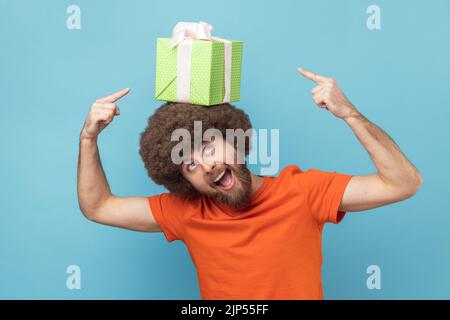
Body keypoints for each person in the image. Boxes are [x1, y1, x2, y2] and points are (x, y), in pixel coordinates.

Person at [77, 68, 423, 299]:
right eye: (190, 163)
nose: (207, 163)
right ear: (183, 181)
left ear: (234, 138)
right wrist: (89, 139)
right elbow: (97, 207)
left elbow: (403, 183)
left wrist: (350, 114)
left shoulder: (304, 192)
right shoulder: (185, 211)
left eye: (209, 145)